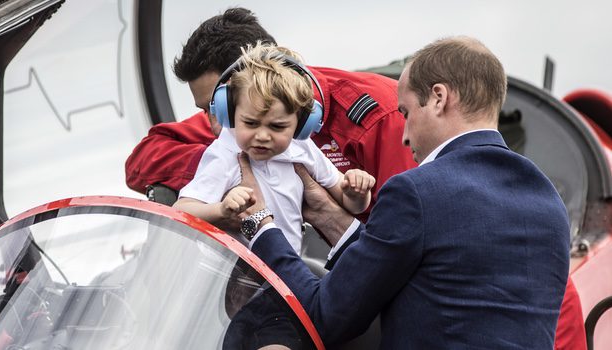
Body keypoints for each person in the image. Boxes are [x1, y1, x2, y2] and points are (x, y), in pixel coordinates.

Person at [240, 37, 571, 348]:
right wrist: (327, 215)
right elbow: (427, 275)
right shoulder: (547, 200)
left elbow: (327, 315)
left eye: (406, 113)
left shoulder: (416, 190)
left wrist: (261, 221)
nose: (404, 137)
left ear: (439, 98)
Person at [125, 7, 417, 222]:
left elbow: (404, 230)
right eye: (212, 110)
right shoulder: (234, 126)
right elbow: (142, 161)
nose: (216, 125)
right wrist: (228, 167)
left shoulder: (381, 116)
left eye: (216, 106)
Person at [173, 43, 375, 253]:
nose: (262, 136)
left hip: (285, 273)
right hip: (238, 275)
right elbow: (181, 211)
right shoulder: (225, 154)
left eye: (277, 127)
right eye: (250, 123)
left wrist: (357, 193)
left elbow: (351, 203)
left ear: (303, 125)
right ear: (230, 113)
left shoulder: (302, 147)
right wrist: (221, 210)